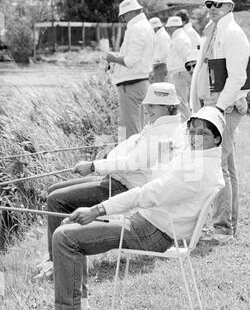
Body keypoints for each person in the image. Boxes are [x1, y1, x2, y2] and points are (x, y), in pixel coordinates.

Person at [35, 106, 225, 310]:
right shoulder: (199, 158)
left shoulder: (196, 170)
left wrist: (97, 210)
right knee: (66, 230)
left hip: (152, 231)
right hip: (152, 222)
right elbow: (155, 177)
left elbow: (146, 194)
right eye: (192, 130)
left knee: (65, 237)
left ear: (217, 137)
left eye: (202, 133)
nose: (194, 137)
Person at [35, 83, 183, 282]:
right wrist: (105, 158)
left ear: (168, 107)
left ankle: (56, 265)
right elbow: (134, 152)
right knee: (54, 190)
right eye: (147, 105)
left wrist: (94, 165)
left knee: (56, 200)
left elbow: (132, 163)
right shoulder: (162, 126)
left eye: (153, 106)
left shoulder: (161, 133)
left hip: (123, 186)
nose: (147, 110)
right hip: (117, 179)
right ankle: (54, 255)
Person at [190, 0, 250, 243]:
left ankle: (223, 228)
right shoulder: (213, 31)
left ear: (229, 6)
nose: (212, 9)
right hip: (213, 103)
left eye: (218, 4)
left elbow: (238, 76)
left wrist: (219, 107)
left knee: (217, 164)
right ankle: (227, 224)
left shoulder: (233, 34)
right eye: (209, 4)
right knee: (226, 165)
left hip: (222, 105)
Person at [104, 0, 155, 140]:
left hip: (130, 85)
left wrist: (112, 59)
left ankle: (129, 161)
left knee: (129, 132)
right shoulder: (146, 26)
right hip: (141, 82)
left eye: (123, 16)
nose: (123, 20)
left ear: (130, 13)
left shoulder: (135, 28)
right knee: (140, 128)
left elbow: (131, 61)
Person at [165, 16, 192, 121]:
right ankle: (185, 125)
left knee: (181, 102)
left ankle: (187, 125)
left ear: (173, 27)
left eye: (168, 27)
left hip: (180, 73)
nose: (167, 29)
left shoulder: (180, 38)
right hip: (178, 73)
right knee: (179, 102)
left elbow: (187, 57)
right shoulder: (179, 37)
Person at [149, 17, 171, 83]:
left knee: (160, 88)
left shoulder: (163, 36)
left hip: (161, 65)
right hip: (158, 65)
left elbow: (165, 52)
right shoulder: (159, 35)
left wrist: (155, 62)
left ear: (155, 27)